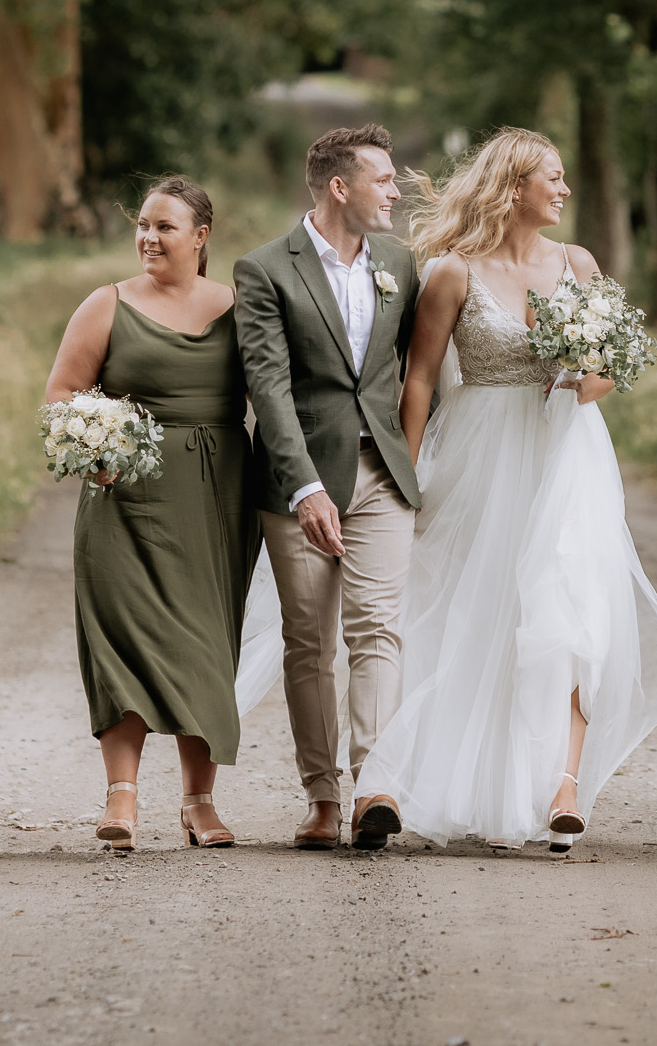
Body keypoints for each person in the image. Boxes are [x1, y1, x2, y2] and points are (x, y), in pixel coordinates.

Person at [358, 127, 657, 853]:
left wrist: (580, 372)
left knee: (572, 608)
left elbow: (609, 372)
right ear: (513, 188)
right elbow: (419, 381)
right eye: (553, 179)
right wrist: (403, 481)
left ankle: (564, 785)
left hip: (567, 449)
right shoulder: (452, 272)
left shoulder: (578, 263)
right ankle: (454, 779)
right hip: (480, 453)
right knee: (483, 616)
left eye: (565, 178)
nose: (564, 190)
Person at [43, 178, 260, 853]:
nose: (148, 237)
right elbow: (62, 393)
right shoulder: (106, 305)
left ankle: (200, 800)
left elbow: (275, 394)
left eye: (165, 226)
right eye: (142, 224)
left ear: (201, 236)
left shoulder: (238, 307)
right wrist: (95, 452)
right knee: (123, 638)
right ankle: (122, 798)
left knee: (206, 641)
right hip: (123, 496)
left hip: (215, 494)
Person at [234, 124, 422, 850]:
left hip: (382, 475)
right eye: (384, 178)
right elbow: (269, 388)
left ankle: (375, 785)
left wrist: (410, 459)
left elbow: (415, 371)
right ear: (340, 187)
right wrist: (306, 485)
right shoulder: (265, 270)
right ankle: (321, 793)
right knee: (308, 639)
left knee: (377, 628)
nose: (396, 190)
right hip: (297, 479)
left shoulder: (401, 263)